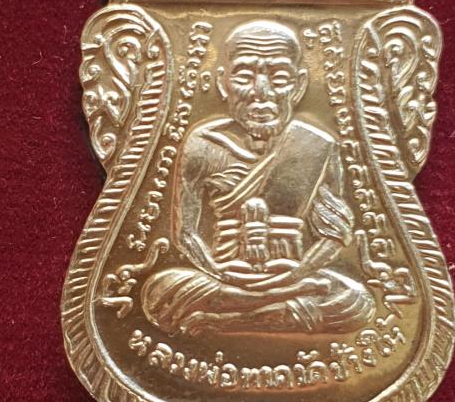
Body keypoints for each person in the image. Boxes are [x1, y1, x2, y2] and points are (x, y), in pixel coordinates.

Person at [142, 20, 375, 335]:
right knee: (159, 293)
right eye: (244, 76)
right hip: (224, 273)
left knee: (356, 302)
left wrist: (293, 275)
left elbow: (333, 235)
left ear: (299, 85)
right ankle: (271, 306)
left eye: (278, 78)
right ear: (223, 83)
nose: (261, 93)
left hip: (290, 271)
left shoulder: (316, 145)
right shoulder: (202, 143)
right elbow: (185, 234)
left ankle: (230, 320)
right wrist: (222, 273)